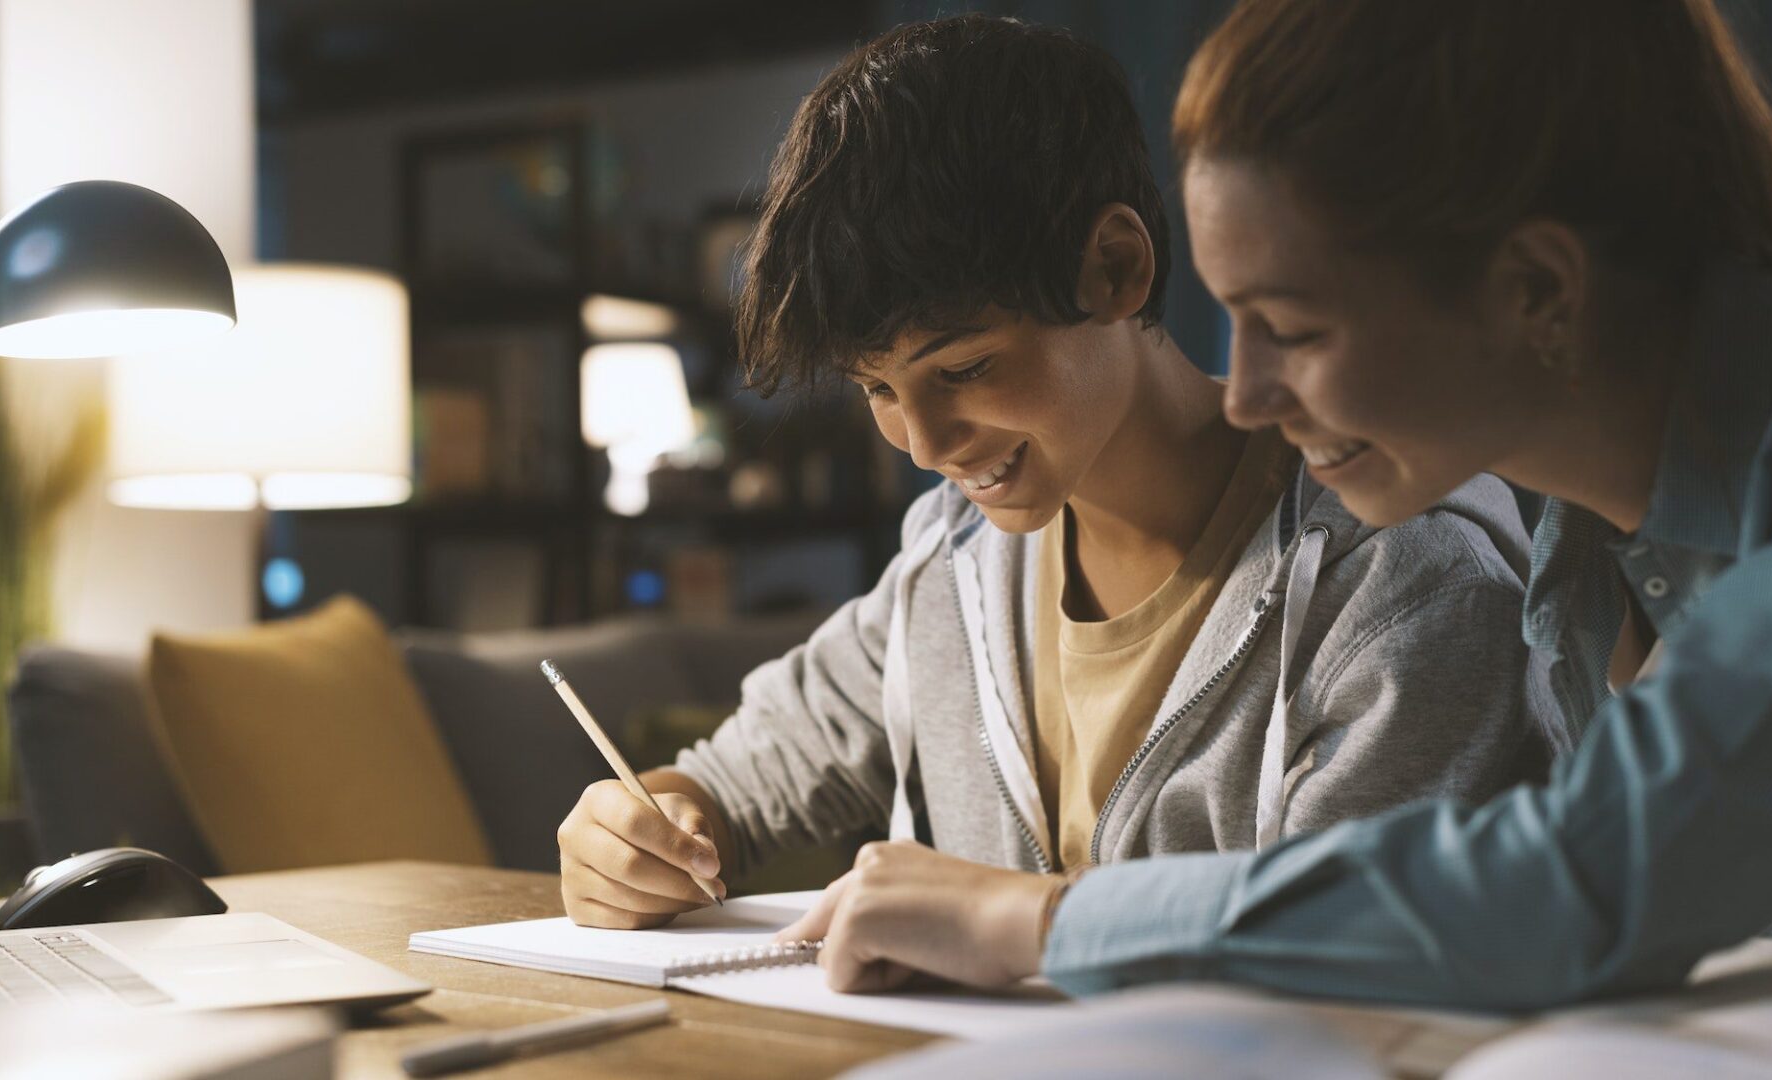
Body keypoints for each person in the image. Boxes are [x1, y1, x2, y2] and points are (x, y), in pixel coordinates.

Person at [776, 0, 1772, 1013]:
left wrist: (1039, 920)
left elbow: (1579, 881)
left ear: (1537, 291)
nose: (1244, 394)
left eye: (1290, 327)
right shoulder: (1593, 562)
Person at [557, 14, 1557, 932]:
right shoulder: (949, 563)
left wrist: (1012, 920)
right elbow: (744, 776)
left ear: (1117, 269)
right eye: (879, 389)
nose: (927, 444)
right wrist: (643, 827)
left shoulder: (1399, 587)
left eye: (966, 370)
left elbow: (1351, 944)